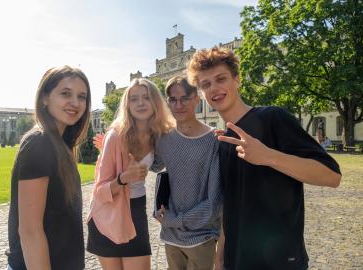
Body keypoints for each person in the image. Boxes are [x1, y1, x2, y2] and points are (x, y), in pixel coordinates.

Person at [187, 47, 342, 270]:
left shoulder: (273, 117)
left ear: (237, 80)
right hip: (237, 260)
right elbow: (230, 205)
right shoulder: (224, 141)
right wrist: (220, 257)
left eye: (221, 79)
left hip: (281, 260)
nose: (214, 89)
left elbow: (332, 176)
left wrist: (268, 156)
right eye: (206, 84)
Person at [7, 66, 91, 270]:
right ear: (45, 97)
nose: (75, 103)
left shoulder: (60, 144)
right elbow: (30, 231)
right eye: (65, 94)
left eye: (82, 96)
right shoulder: (40, 143)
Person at [86, 78, 174, 270]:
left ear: (155, 102)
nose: (141, 103)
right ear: (127, 104)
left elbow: (177, 152)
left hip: (136, 210)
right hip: (109, 214)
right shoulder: (116, 136)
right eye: (134, 99)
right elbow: (99, 191)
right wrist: (124, 178)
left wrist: (213, 138)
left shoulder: (159, 135)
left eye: (146, 97)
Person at [154, 75, 222, 270]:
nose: (179, 105)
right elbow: (153, 169)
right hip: (170, 237)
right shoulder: (164, 140)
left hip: (201, 238)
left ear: (197, 99)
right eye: (173, 100)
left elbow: (214, 200)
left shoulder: (213, 141)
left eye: (185, 98)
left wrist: (176, 220)